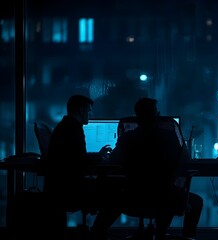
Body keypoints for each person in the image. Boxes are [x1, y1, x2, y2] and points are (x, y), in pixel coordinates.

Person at [93, 97, 203, 240]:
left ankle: (96, 233)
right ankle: (166, 234)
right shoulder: (170, 137)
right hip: (165, 197)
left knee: (113, 198)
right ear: (157, 115)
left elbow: (113, 162)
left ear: (136, 117)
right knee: (196, 201)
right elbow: (186, 161)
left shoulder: (127, 138)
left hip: (134, 198)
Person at [43, 94, 114, 238]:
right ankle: (97, 232)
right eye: (89, 110)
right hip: (71, 189)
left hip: (59, 187)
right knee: (115, 195)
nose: (91, 114)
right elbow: (80, 161)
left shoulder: (64, 126)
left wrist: (96, 155)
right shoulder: (74, 128)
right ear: (81, 110)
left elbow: (75, 157)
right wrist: (99, 160)